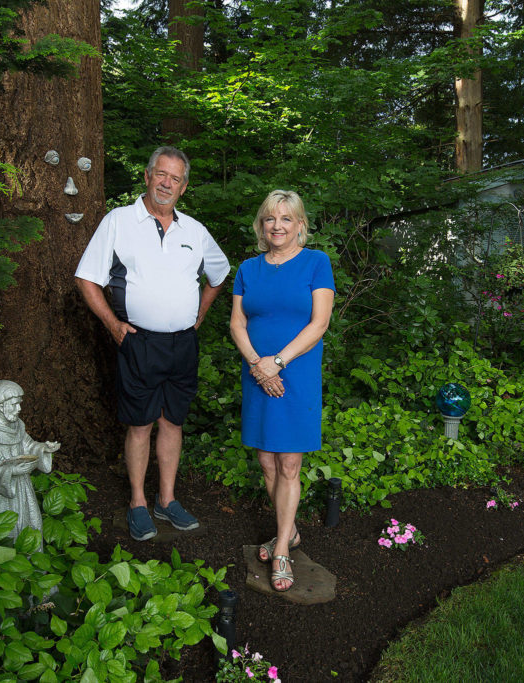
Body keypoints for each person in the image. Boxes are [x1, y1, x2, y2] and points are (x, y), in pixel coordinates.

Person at [75, 146, 229, 541]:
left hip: (182, 345)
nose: (166, 183)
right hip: (138, 342)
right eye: (161, 174)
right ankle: (139, 503)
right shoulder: (119, 221)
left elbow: (219, 274)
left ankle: (168, 498)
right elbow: (86, 278)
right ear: (146, 176)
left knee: (172, 422)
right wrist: (113, 325)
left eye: (175, 178)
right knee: (141, 424)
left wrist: (199, 316)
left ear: (184, 187)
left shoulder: (194, 231)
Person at [229, 189, 335, 591]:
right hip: (258, 374)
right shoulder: (248, 269)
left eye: (286, 219)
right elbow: (237, 324)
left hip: (296, 374)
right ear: (262, 225)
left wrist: (277, 362)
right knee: (267, 463)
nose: (278, 226)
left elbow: (319, 323)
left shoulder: (316, 263)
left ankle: (283, 551)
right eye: (271, 218)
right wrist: (258, 364)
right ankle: (286, 530)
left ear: (300, 226)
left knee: (289, 464)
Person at [0, 380, 61, 543]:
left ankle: (31, 562)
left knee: (30, 522)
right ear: (1, 406)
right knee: (6, 529)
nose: (19, 409)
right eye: (14, 404)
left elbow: (27, 445)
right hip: (0, 489)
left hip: (22, 485)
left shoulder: (16, 424)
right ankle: (7, 562)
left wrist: (44, 448)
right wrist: (12, 471)